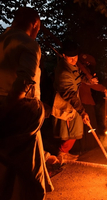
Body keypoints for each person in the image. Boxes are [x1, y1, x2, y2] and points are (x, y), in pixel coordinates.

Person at [0, 7, 55, 199]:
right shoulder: (29, 44)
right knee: (26, 166)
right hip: (19, 109)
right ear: (34, 24)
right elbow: (24, 81)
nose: (37, 32)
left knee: (6, 162)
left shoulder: (2, 39)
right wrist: (6, 108)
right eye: (38, 28)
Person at [52, 40, 92, 162]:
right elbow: (69, 93)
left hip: (74, 100)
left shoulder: (72, 66)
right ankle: (62, 153)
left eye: (75, 57)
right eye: (71, 58)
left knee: (74, 129)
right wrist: (82, 111)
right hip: (66, 102)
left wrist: (88, 80)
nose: (74, 60)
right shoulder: (63, 71)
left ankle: (64, 152)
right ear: (64, 56)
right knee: (68, 129)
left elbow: (78, 77)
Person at [77, 53, 107, 152]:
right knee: (86, 123)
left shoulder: (85, 72)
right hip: (83, 100)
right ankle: (86, 146)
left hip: (85, 100)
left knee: (87, 123)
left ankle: (88, 145)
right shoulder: (80, 73)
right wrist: (103, 88)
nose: (86, 64)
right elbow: (91, 84)